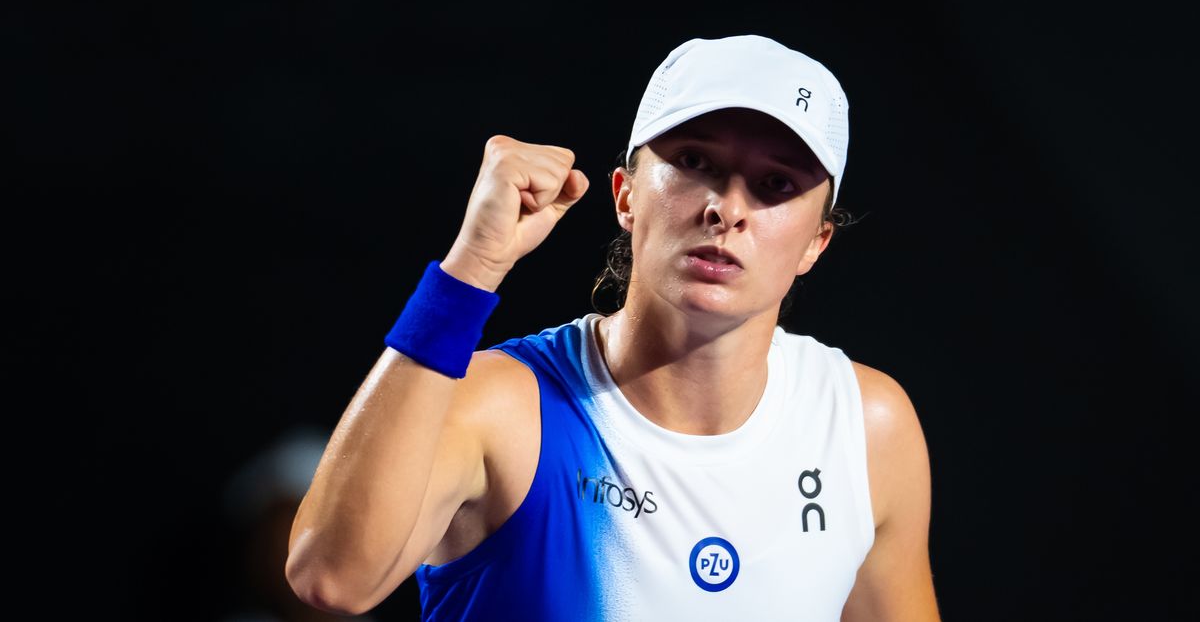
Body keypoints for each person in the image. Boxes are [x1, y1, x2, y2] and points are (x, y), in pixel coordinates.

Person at [285, 34, 941, 621]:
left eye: (775, 183)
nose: (726, 207)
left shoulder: (865, 426)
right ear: (626, 193)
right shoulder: (501, 404)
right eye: (696, 161)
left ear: (815, 243)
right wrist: (472, 268)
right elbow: (330, 577)